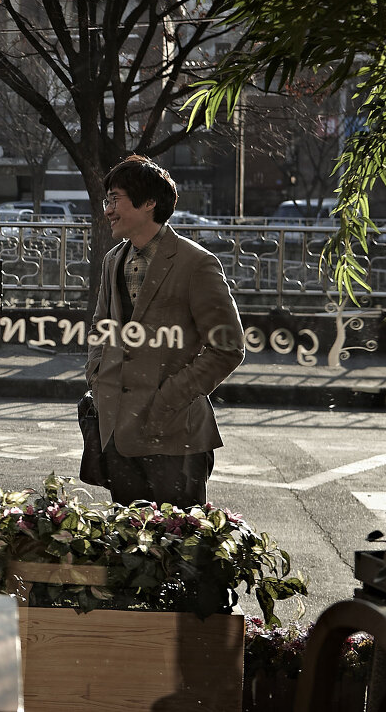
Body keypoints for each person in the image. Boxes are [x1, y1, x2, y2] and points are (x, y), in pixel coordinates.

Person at [85, 154, 243, 508]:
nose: (107, 210)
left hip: (174, 434)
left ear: (149, 203)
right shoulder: (113, 260)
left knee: (178, 537)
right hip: (118, 432)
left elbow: (228, 347)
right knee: (128, 537)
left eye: (115, 199)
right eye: (106, 201)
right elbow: (101, 326)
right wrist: (96, 376)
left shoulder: (196, 263)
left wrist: (167, 399)